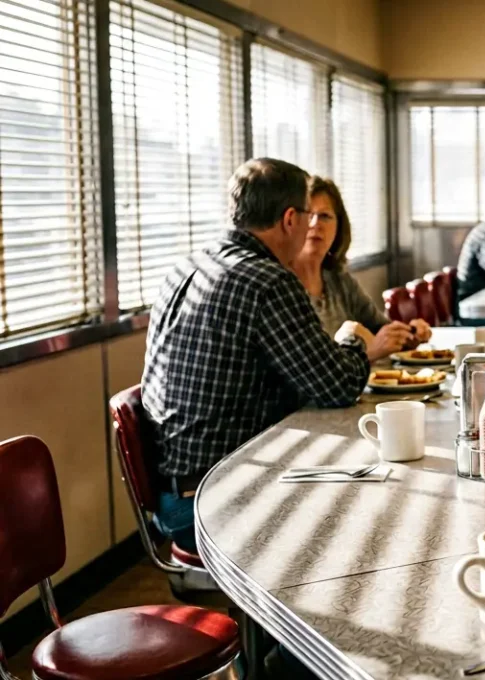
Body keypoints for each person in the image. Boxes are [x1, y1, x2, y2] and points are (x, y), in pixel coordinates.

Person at [142, 158, 374, 552]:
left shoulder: (187, 266)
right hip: (219, 494)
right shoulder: (268, 281)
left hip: (174, 488)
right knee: (367, 504)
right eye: (307, 216)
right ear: (289, 219)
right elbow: (339, 385)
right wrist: (353, 335)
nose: (311, 227)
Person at [293, 176, 430, 359]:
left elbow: (381, 328)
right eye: (308, 215)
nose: (315, 224)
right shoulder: (282, 286)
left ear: (339, 227)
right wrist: (370, 352)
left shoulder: (339, 280)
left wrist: (408, 334)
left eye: (324, 216)